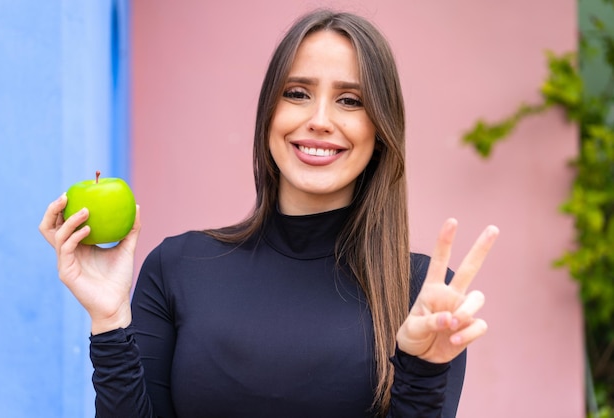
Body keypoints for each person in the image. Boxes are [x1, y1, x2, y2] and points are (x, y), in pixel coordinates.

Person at [39, 9, 498, 418]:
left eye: (350, 100)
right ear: (269, 114)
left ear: (380, 130)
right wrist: (110, 318)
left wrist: (424, 372)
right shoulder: (179, 268)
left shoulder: (422, 297)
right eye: (297, 93)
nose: (319, 119)